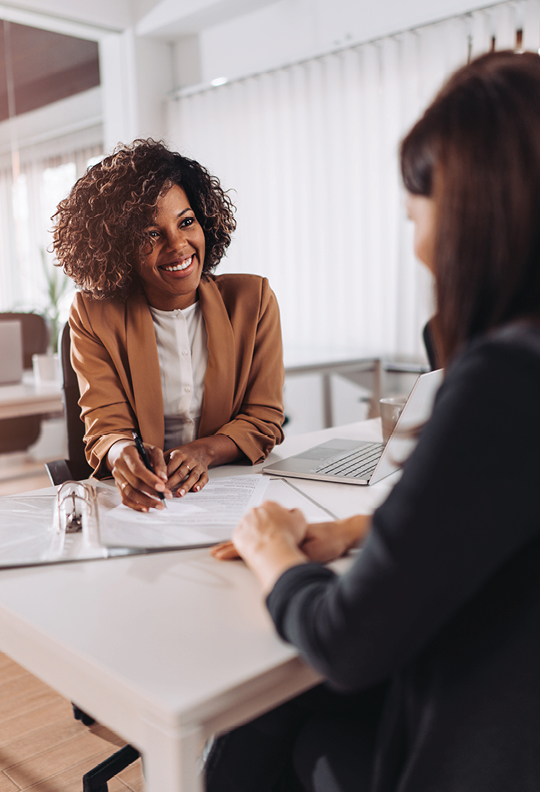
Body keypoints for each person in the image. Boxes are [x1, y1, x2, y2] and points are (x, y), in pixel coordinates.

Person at [209, 50, 540, 791]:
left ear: (470, 210)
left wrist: (271, 549)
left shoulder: (507, 379)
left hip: (478, 758)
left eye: (415, 210)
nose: (416, 241)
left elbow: (346, 641)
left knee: (279, 710)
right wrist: (365, 531)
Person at [52, 139, 285, 511]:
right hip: (146, 502)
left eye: (186, 222)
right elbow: (105, 427)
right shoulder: (92, 314)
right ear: (121, 247)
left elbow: (263, 418)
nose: (178, 246)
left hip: (230, 491)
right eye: (151, 233)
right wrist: (122, 456)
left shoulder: (252, 300)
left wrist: (204, 452)